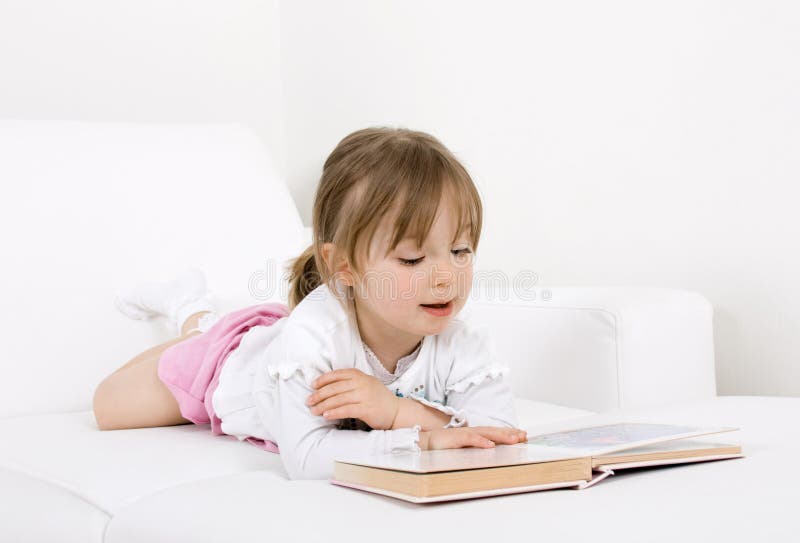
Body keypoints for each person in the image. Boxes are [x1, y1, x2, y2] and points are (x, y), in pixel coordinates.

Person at [93, 126, 528, 480]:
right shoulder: (312, 338)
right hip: (232, 367)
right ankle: (195, 318)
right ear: (343, 265)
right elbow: (305, 458)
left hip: (283, 337)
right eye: (413, 258)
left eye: (460, 251)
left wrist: (399, 412)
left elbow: (499, 435)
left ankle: (207, 319)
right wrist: (419, 435)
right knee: (108, 407)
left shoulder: (464, 341)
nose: (445, 277)